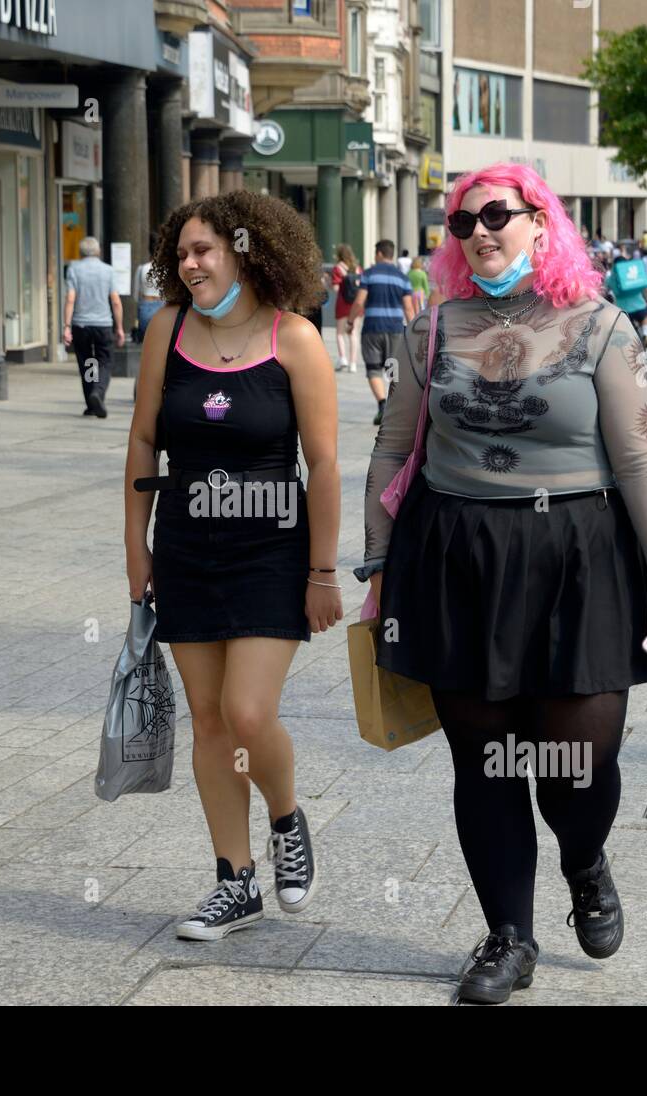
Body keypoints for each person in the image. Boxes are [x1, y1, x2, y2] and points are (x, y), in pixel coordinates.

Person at [357, 162, 647, 1005]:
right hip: (456, 558)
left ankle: (584, 859)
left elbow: (639, 459)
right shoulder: (431, 329)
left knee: (579, 764)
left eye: (497, 214)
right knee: (484, 762)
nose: (478, 230)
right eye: (461, 221)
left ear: (541, 225)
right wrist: (375, 565)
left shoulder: (600, 326)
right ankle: (508, 938)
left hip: (579, 559)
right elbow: (393, 451)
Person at [124, 190, 342, 942]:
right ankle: (234, 882)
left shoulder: (296, 340)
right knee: (211, 720)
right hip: (186, 550)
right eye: (180, 253)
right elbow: (143, 443)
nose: (187, 265)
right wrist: (137, 549)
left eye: (202, 251)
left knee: (250, 713)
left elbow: (324, 464)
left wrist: (322, 573)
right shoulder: (166, 331)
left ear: (247, 251)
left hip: (270, 553)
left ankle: (286, 817)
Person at [348, 240, 417, 426]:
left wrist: (350, 321)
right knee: (393, 369)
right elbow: (409, 308)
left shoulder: (369, 274)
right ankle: (396, 406)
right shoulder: (402, 278)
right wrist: (414, 331)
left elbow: (359, 302)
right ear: (391, 254)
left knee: (373, 368)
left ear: (379, 254)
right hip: (395, 330)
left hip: (372, 328)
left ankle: (382, 404)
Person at [64, 236, 125, 418]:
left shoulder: (74, 269)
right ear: (98, 251)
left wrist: (66, 326)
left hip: (81, 325)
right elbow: (115, 301)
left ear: (81, 253)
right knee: (104, 361)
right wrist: (120, 327)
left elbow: (70, 298)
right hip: (103, 324)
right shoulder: (108, 271)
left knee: (88, 362)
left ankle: (91, 400)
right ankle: (97, 392)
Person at [605, 246, 647, 345]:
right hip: (640, 306)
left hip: (623, 309)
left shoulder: (610, 277)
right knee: (646, 316)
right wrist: (646, 297)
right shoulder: (632, 273)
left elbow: (605, 289)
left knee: (626, 331)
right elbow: (644, 286)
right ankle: (646, 334)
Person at [331, 243, 362, 372]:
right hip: (356, 305)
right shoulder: (358, 268)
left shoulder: (337, 268)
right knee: (353, 333)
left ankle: (343, 358)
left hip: (343, 304)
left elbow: (336, 288)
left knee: (340, 333)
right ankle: (353, 364)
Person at [132, 234, 162, 344]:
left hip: (146, 305)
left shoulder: (142, 268)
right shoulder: (167, 270)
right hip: (163, 305)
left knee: (147, 342)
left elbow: (136, 294)